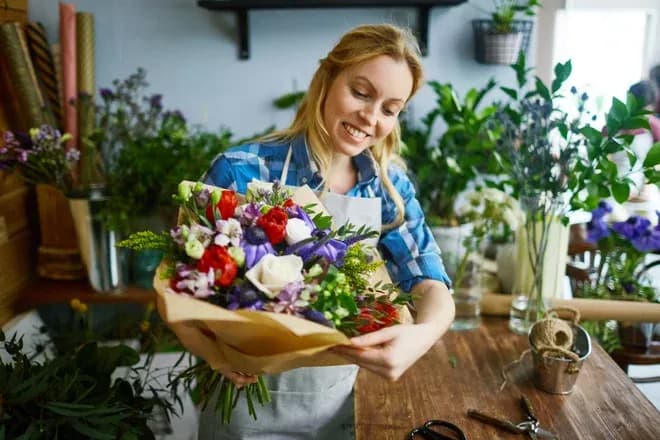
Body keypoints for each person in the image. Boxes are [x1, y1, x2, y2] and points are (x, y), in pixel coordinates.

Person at [199, 24, 455, 439]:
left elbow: (430, 282)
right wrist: (212, 353)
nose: (370, 118)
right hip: (242, 407)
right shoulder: (240, 170)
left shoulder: (387, 188)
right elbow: (181, 287)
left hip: (338, 410)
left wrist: (422, 335)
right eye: (361, 92)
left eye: (390, 109)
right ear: (326, 80)